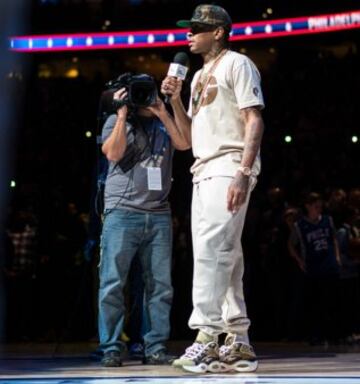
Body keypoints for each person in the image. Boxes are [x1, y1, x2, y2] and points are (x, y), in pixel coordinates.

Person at [161, 4, 265, 373]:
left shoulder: (238, 64)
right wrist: (173, 99)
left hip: (229, 164)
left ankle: (205, 336)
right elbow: (186, 140)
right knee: (226, 254)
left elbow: (254, 118)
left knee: (211, 251)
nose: (189, 34)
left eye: (197, 28)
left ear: (219, 31)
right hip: (201, 168)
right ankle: (238, 340)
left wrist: (243, 170)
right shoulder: (199, 74)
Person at [98, 73, 190, 367]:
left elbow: (185, 144)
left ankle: (155, 347)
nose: (144, 98)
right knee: (113, 284)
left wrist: (163, 110)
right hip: (122, 212)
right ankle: (112, 347)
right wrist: (123, 113)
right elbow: (112, 153)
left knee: (160, 286)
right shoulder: (116, 121)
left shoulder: (162, 122)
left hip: (159, 214)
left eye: (146, 92)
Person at [288, 192, 341, 345]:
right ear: (308, 206)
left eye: (320, 206)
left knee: (331, 301)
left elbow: (334, 239)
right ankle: (315, 334)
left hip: (329, 264)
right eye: (316, 206)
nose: (319, 209)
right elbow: (291, 245)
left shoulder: (327, 220)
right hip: (313, 267)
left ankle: (332, 334)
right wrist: (299, 261)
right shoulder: (300, 226)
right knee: (314, 303)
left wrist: (337, 257)